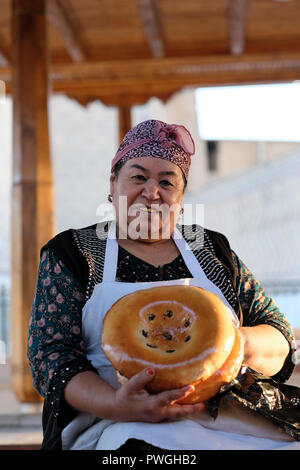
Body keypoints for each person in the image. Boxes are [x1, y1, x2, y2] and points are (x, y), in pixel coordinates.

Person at [28, 119, 299, 451]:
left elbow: (280, 334)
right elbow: (51, 357)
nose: (151, 192)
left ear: (181, 197)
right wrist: (116, 403)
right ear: (113, 185)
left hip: (229, 419)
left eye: (167, 182)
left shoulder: (211, 249)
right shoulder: (75, 252)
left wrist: (232, 346)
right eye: (138, 177)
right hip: (112, 423)